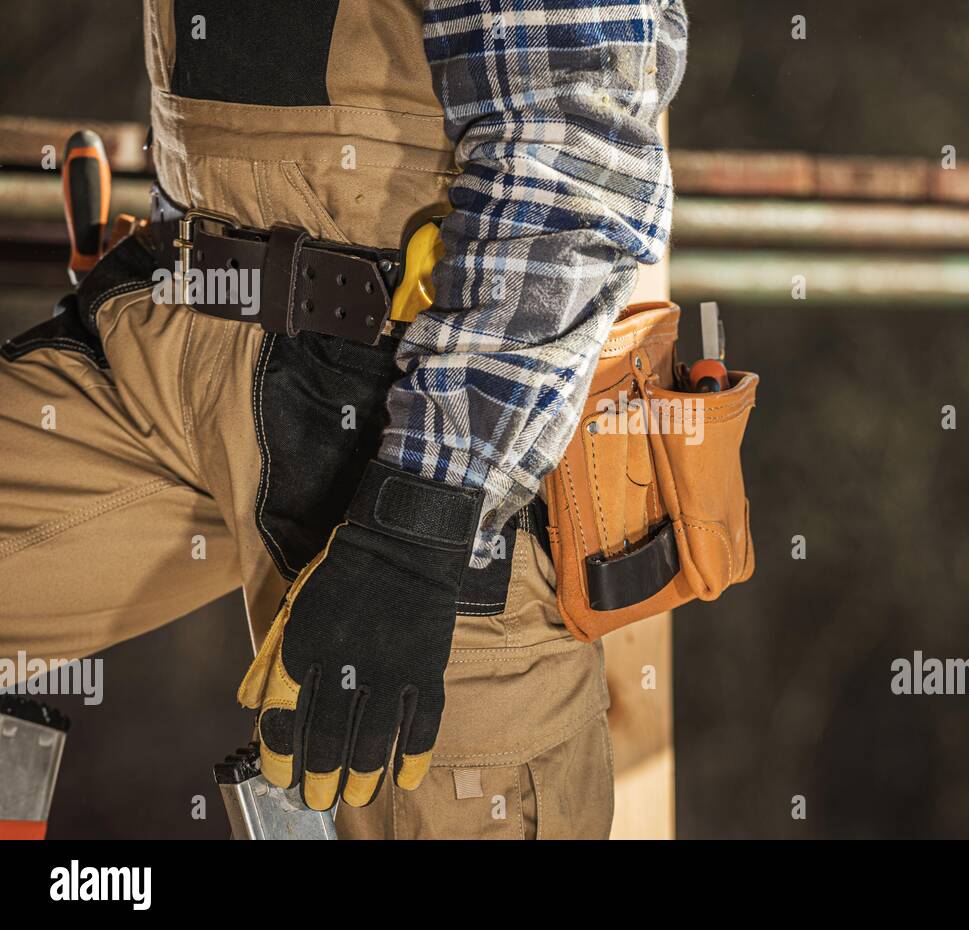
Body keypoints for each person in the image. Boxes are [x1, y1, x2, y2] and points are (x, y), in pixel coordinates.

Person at [0, 0, 687, 839]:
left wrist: (419, 529)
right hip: (167, 327)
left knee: (434, 788)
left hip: (417, 403)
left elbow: (579, 154)